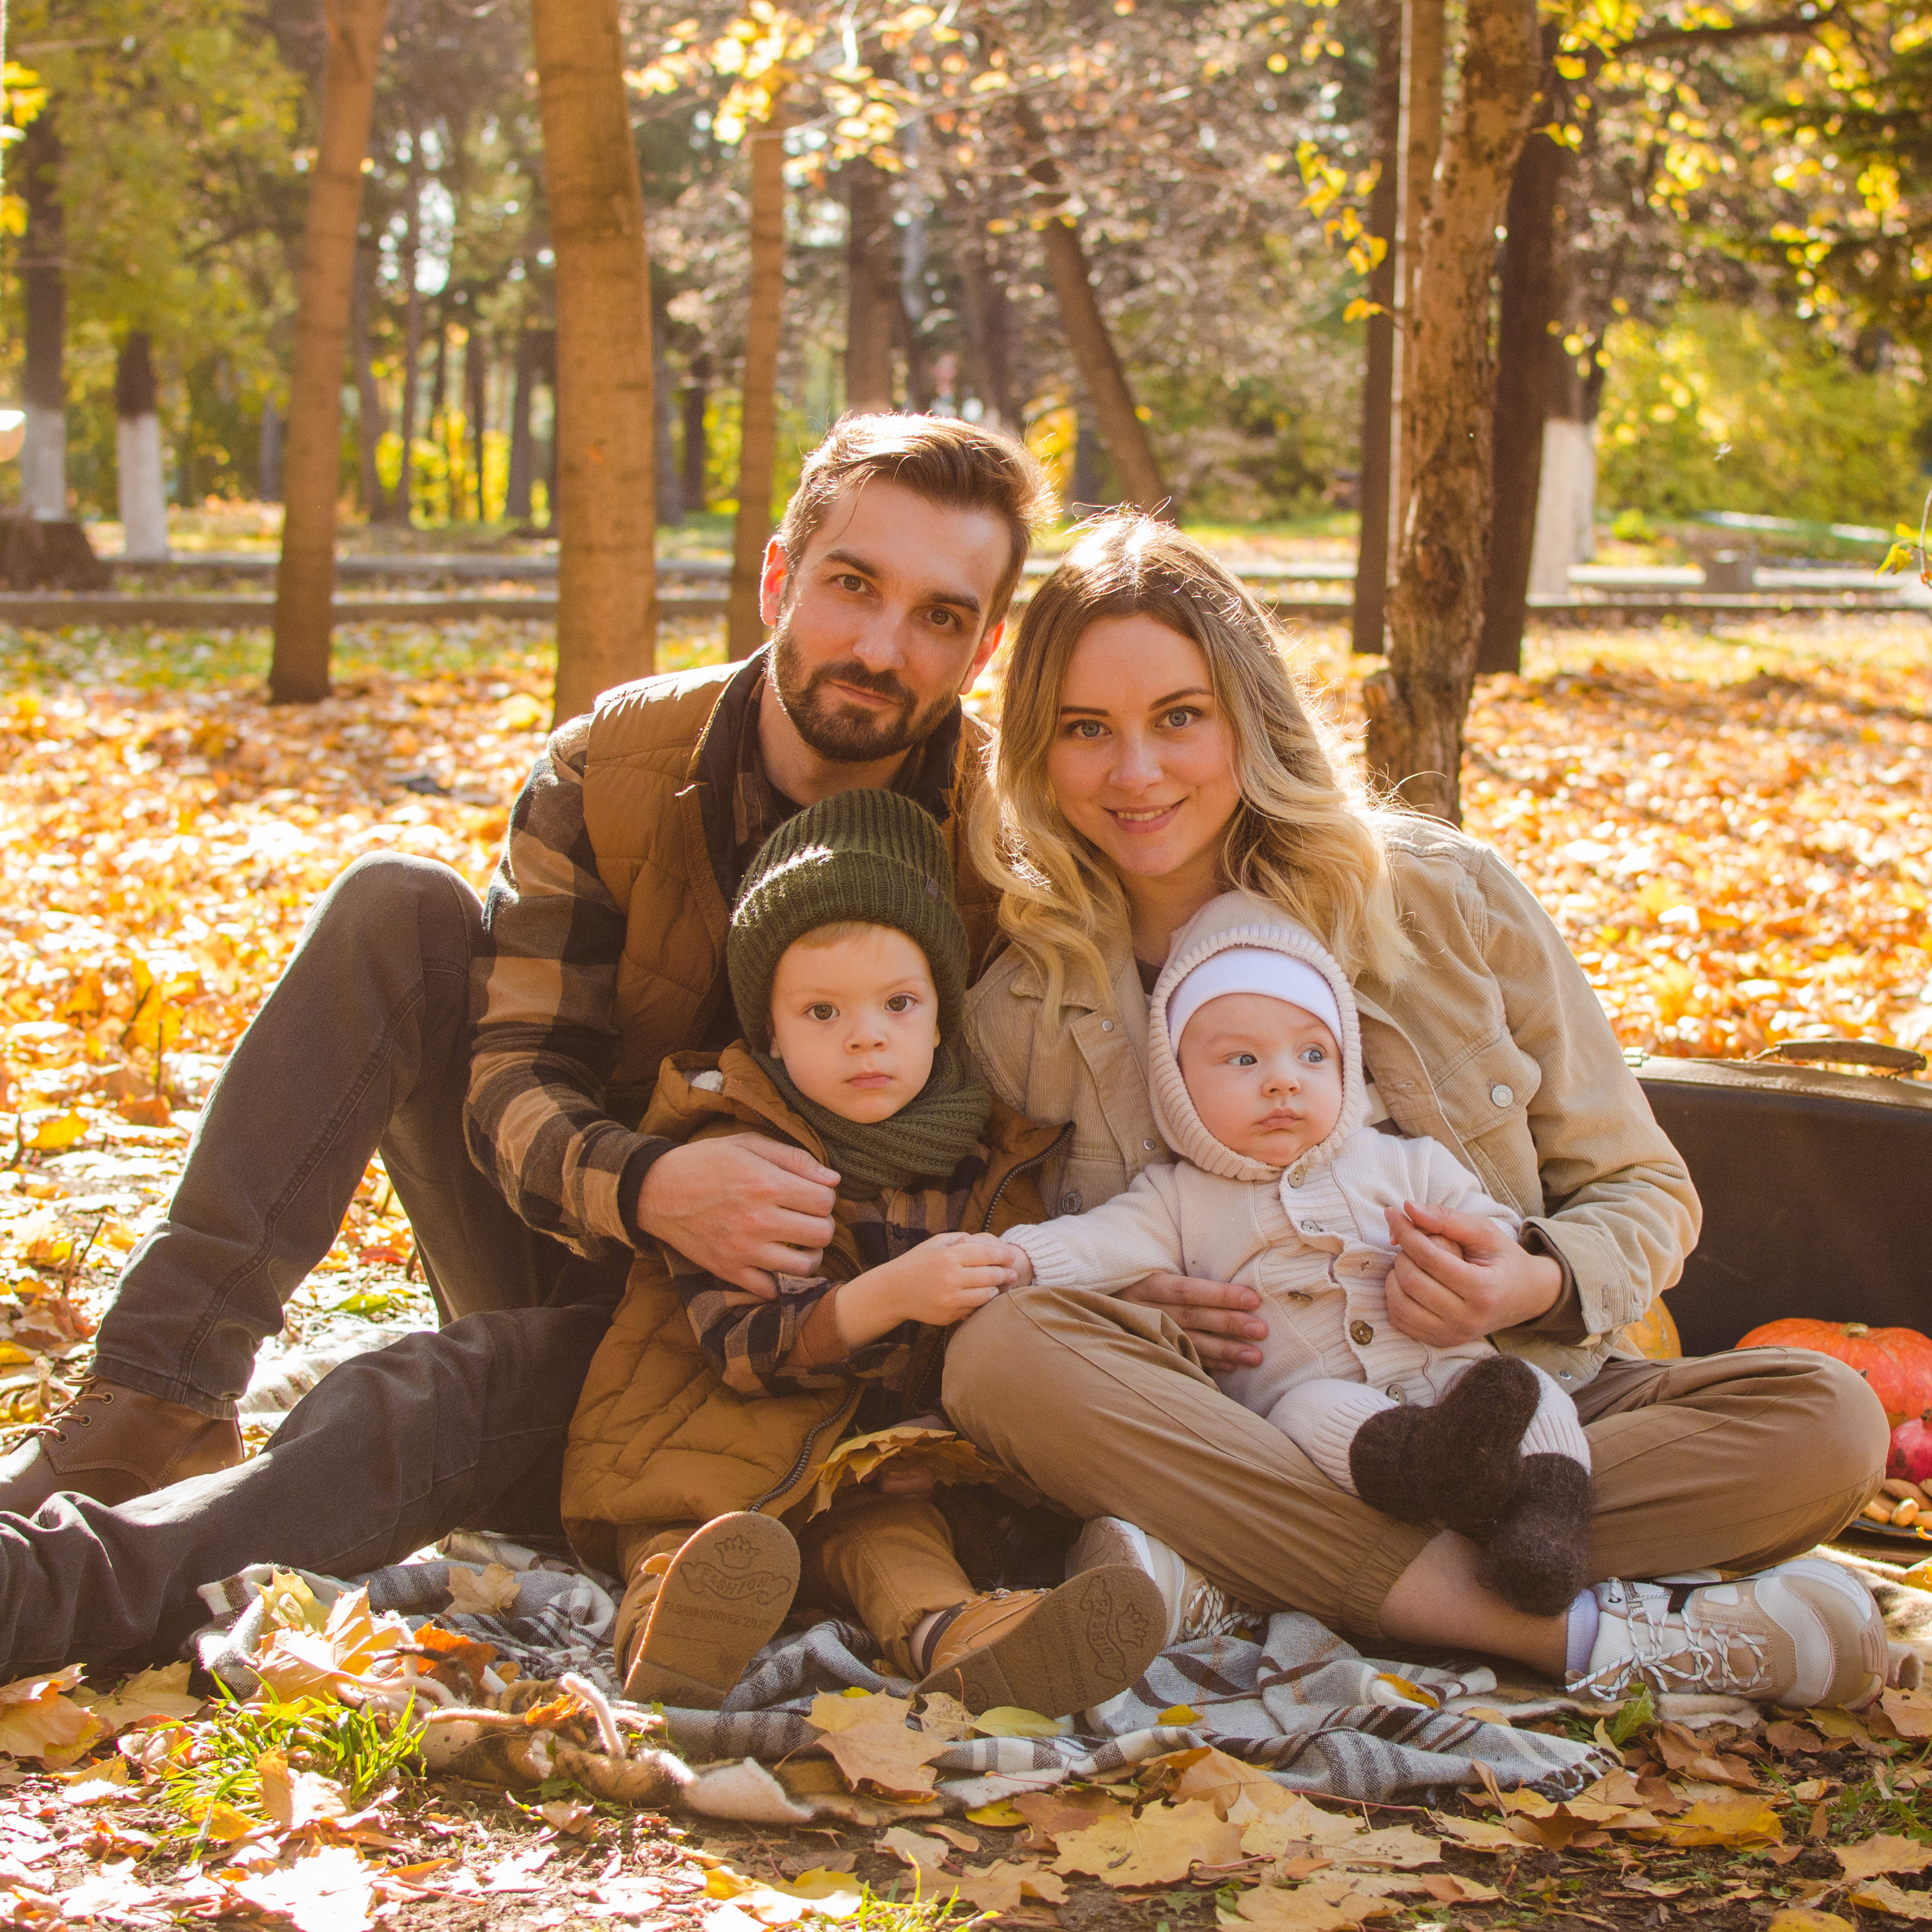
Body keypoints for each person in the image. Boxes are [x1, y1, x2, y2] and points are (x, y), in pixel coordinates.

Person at [0, 415, 1199, 1676]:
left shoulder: (1004, 848)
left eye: (941, 617)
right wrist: (653, 1186)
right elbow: (513, 1078)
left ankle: (39, 1597)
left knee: (433, 1398)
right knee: (396, 906)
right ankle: (154, 1402)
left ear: (985, 644)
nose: (883, 647)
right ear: (779, 577)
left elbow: (1057, 1123)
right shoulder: (617, 763)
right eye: (853, 587)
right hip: (594, 1240)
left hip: (830, 1328)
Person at [945, 512, 1893, 1709]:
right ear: (1040, 747)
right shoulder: (1023, 1002)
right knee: (998, 1356)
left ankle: (1238, 1575)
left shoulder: (1448, 900)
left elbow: (1649, 1191)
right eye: (1088, 730)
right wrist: (1133, 1306)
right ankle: (1560, 1631)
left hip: (1515, 1404)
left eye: (1179, 716)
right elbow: (1033, 1273)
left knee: (1831, 1421)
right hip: (1241, 1423)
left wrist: (1533, 1277)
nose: (1137, 773)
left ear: (1250, 715)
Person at [560, 789, 1163, 1717]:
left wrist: (942, 1448)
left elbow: (1007, 1334)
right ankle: (673, 1630)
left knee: (899, 1538)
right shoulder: (738, 1153)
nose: (866, 1035)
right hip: (710, 1437)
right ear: (771, 1031)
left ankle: (966, 1637)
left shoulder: (991, 1158)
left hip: (876, 1467)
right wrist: (891, 1293)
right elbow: (742, 1344)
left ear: (939, 1017)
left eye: (897, 1003)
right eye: (822, 1012)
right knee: (692, 1527)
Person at [993, 891, 1595, 1620]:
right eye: (1242, 1058)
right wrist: (1017, 1259)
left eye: (1313, 1054)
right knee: (1311, 1411)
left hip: (1460, 1381)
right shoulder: (1178, 1198)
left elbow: (1490, 1230)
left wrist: (1494, 1266)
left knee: (1531, 1391)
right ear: (1176, 1085)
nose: (1284, 1079)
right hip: (1322, 1429)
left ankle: (1543, 1533)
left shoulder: (1412, 1162)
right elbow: (1093, 1245)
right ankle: (1426, 1477)